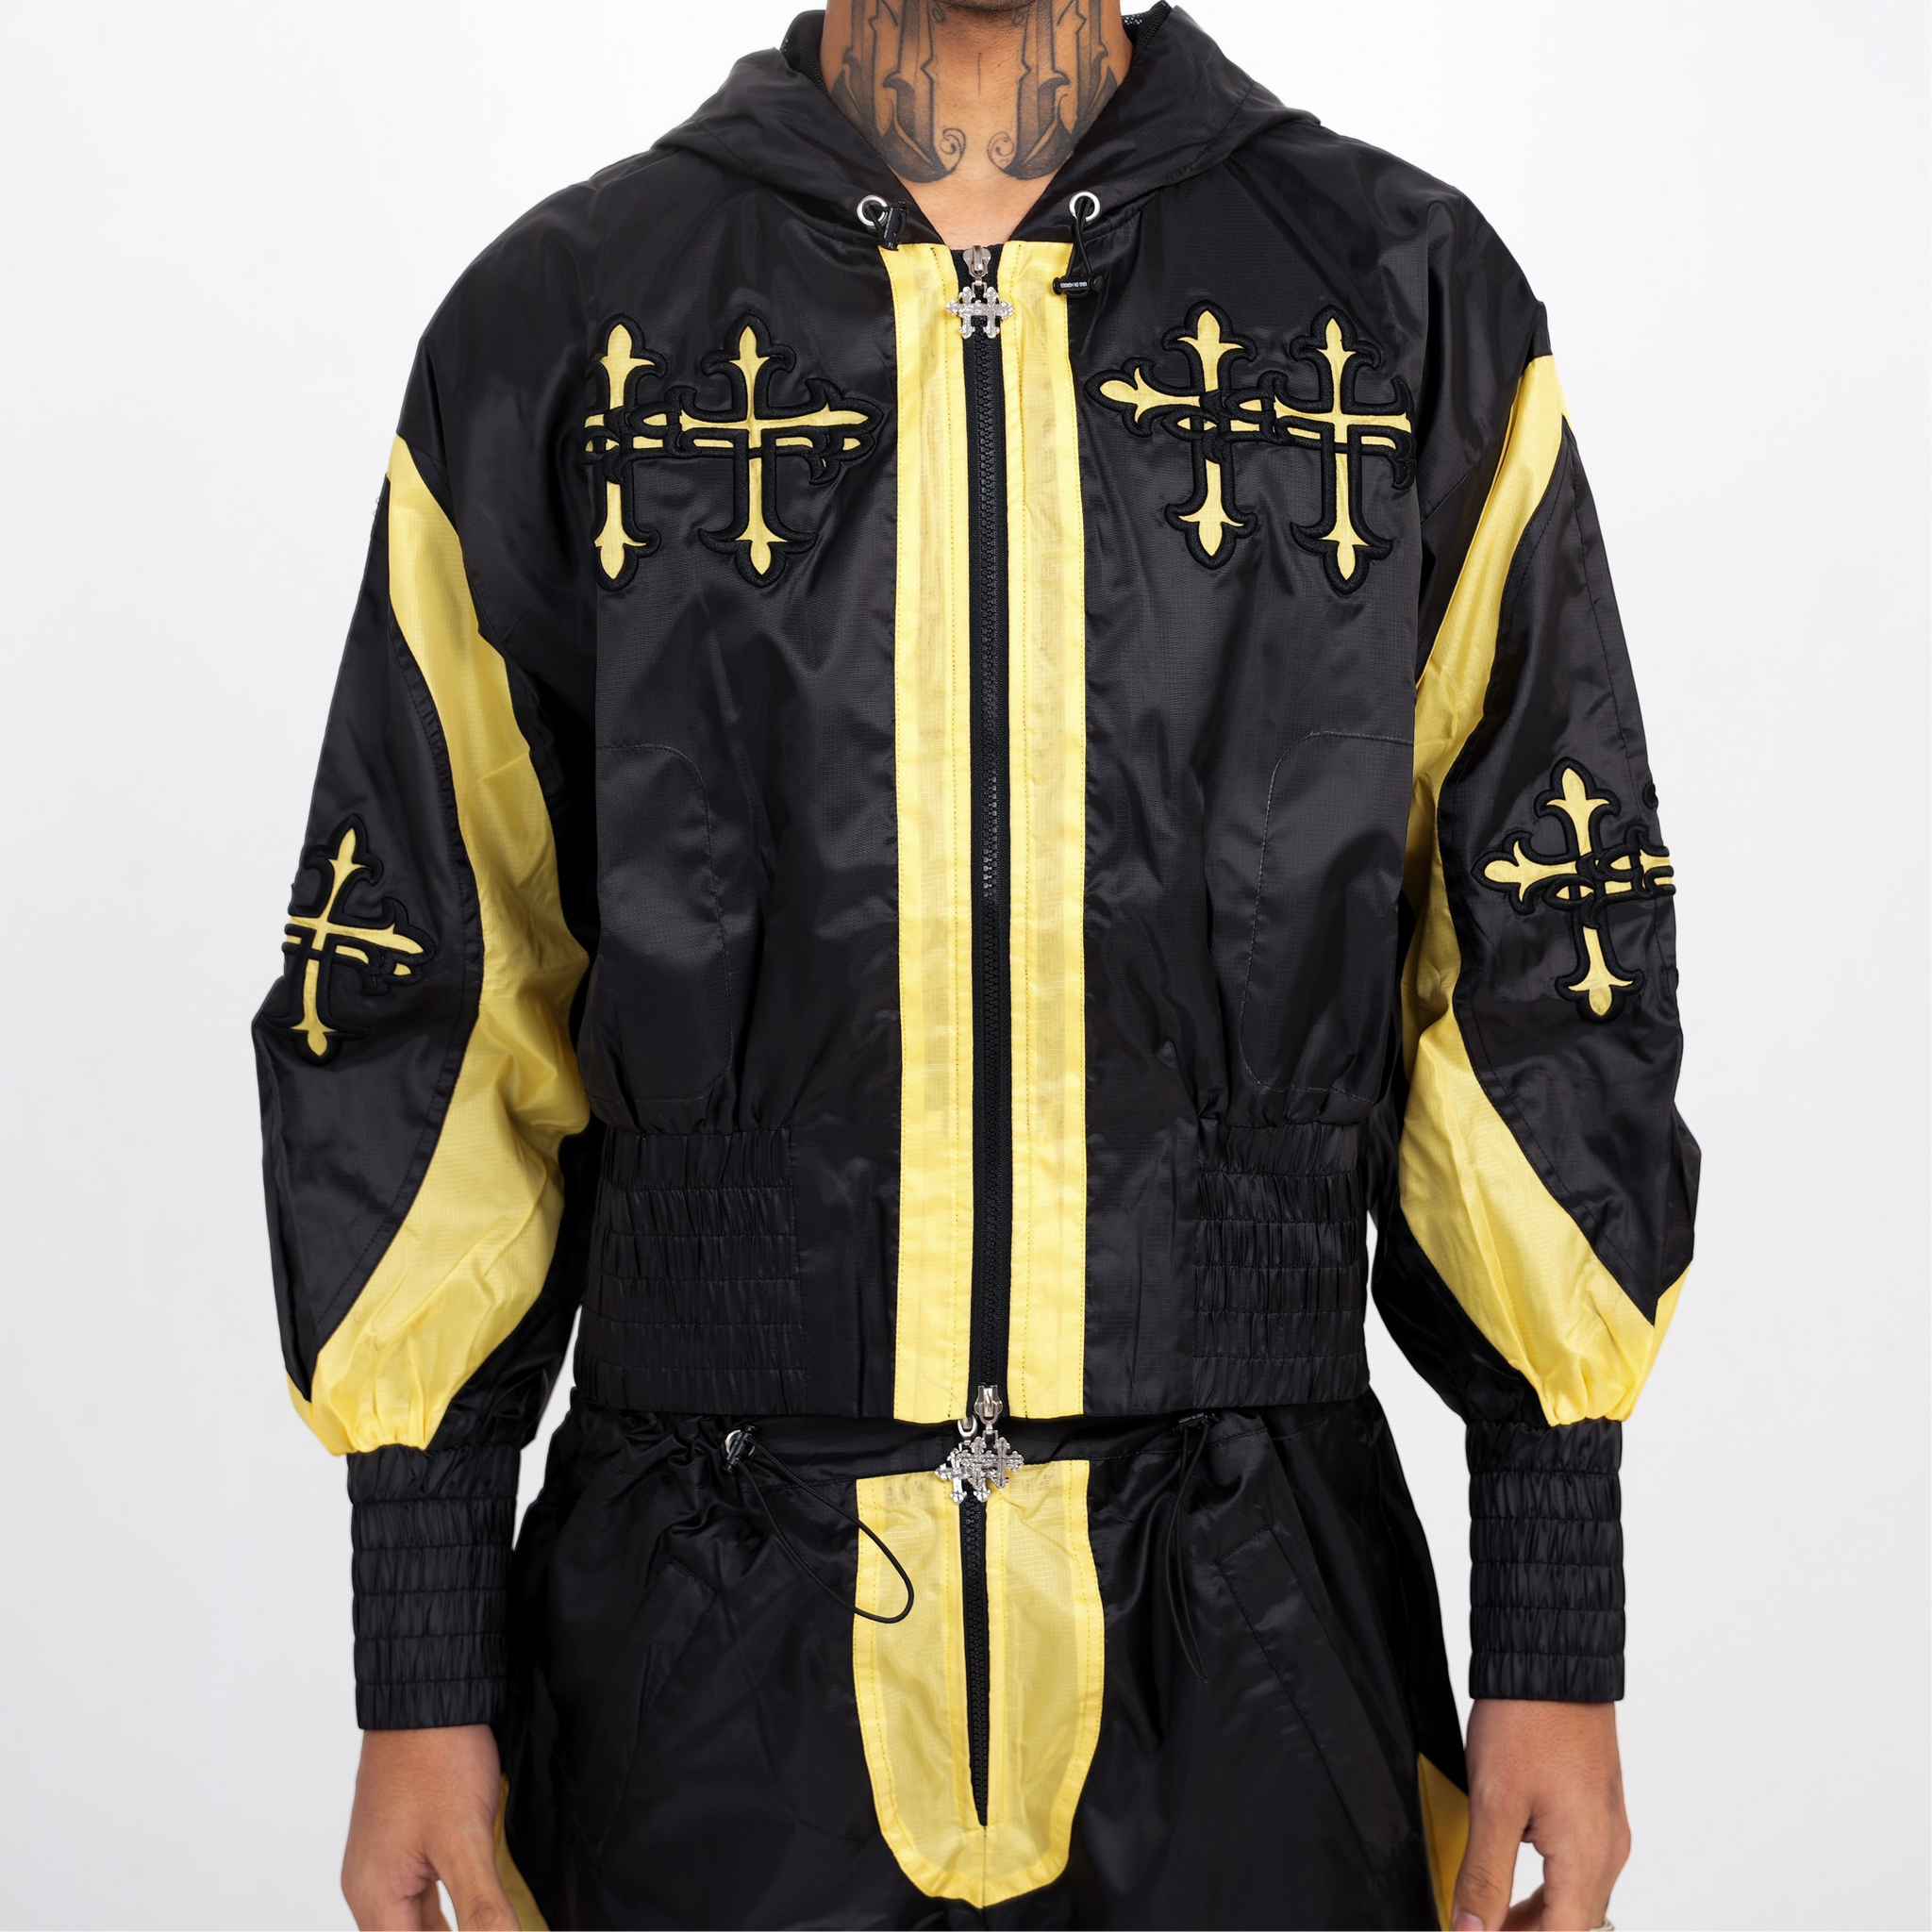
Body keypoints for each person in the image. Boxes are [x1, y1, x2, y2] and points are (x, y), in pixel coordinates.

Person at [254, 4, 1696, 1927]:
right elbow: (430, 993)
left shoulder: (1396, 305)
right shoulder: (566, 331)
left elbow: (1545, 959)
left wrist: (1553, 1608)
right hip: (695, 1649)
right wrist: (420, 1653)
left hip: (1263, 1634)